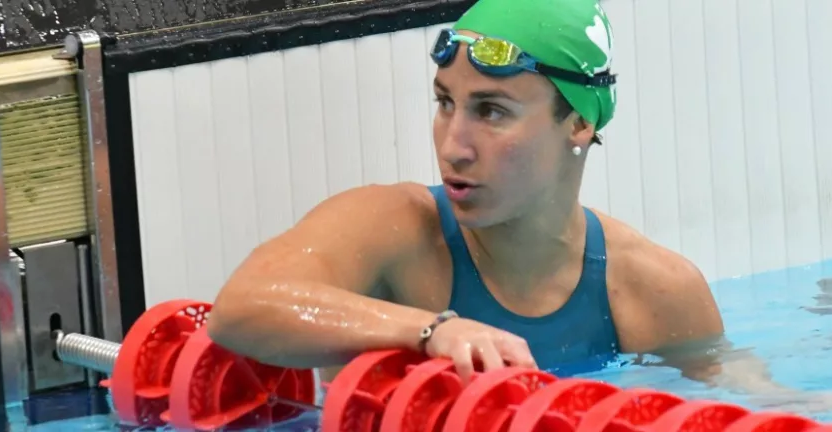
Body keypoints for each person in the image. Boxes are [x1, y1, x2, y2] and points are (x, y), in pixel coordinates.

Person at [207, 0, 831, 411]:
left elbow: (752, 405)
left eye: (492, 111)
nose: (453, 145)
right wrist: (431, 331)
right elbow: (240, 308)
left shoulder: (653, 289)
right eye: (445, 102)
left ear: (579, 122)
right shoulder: (392, 230)